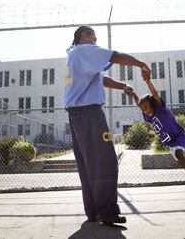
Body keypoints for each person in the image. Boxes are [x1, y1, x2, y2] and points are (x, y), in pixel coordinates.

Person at [64, 25, 150, 224]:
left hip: (77, 115)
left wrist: (121, 86)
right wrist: (140, 63)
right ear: (84, 36)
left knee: (88, 165)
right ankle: (108, 211)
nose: (95, 42)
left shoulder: (74, 55)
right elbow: (115, 55)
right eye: (93, 38)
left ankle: (93, 211)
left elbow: (100, 78)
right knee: (106, 161)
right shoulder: (84, 49)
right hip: (89, 114)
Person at [128, 78, 185, 191]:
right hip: (171, 142)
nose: (146, 111)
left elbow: (155, 94)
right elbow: (140, 104)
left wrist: (148, 81)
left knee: (178, 154)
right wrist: (133, 95)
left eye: (147, 108)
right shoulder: (148, 117)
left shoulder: (160, 109)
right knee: (181, 162)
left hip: (179, 135)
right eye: (144, 110)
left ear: (153, 104)